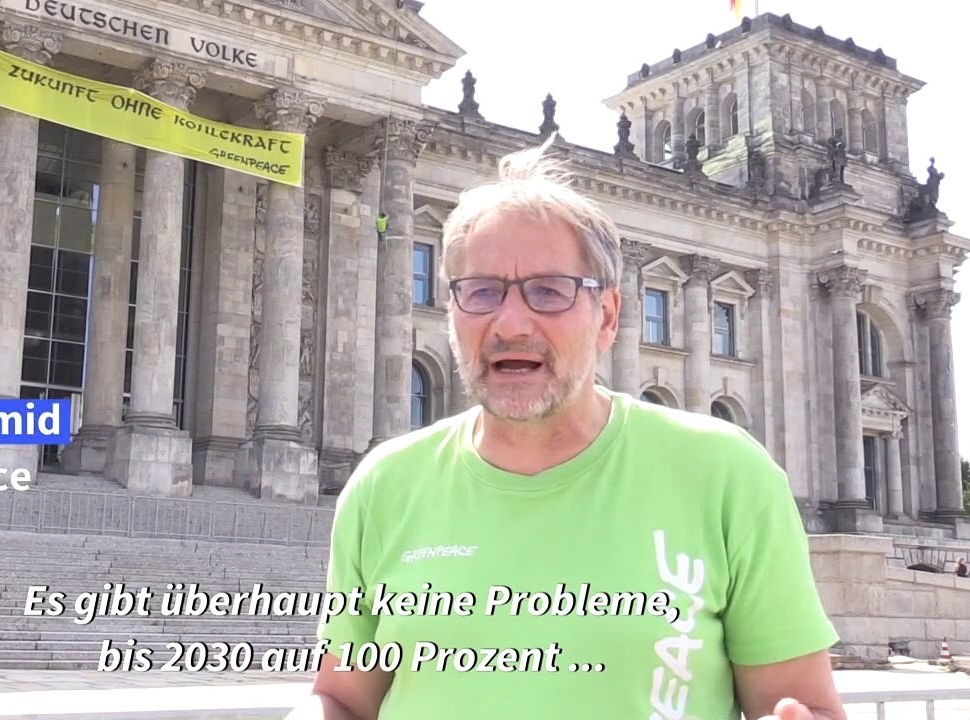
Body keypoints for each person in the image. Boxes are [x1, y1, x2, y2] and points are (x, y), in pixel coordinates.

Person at [288, 134, 846, 720]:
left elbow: (801, 704)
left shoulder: (728, 474)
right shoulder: (384, 484)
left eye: (548, 292)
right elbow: (343, 698)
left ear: (607, 316)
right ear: (451, 311)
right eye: (480, 291)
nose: (510, 321)